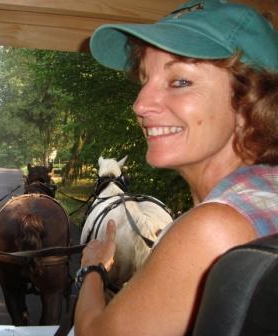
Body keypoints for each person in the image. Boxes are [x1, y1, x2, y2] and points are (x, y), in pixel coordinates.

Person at [74, 1, 278, 335]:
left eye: (180, 81)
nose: (139, 104)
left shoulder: (216, 229)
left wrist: (93, 269)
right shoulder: (265, 195)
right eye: (144, 78)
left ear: (251, 101)